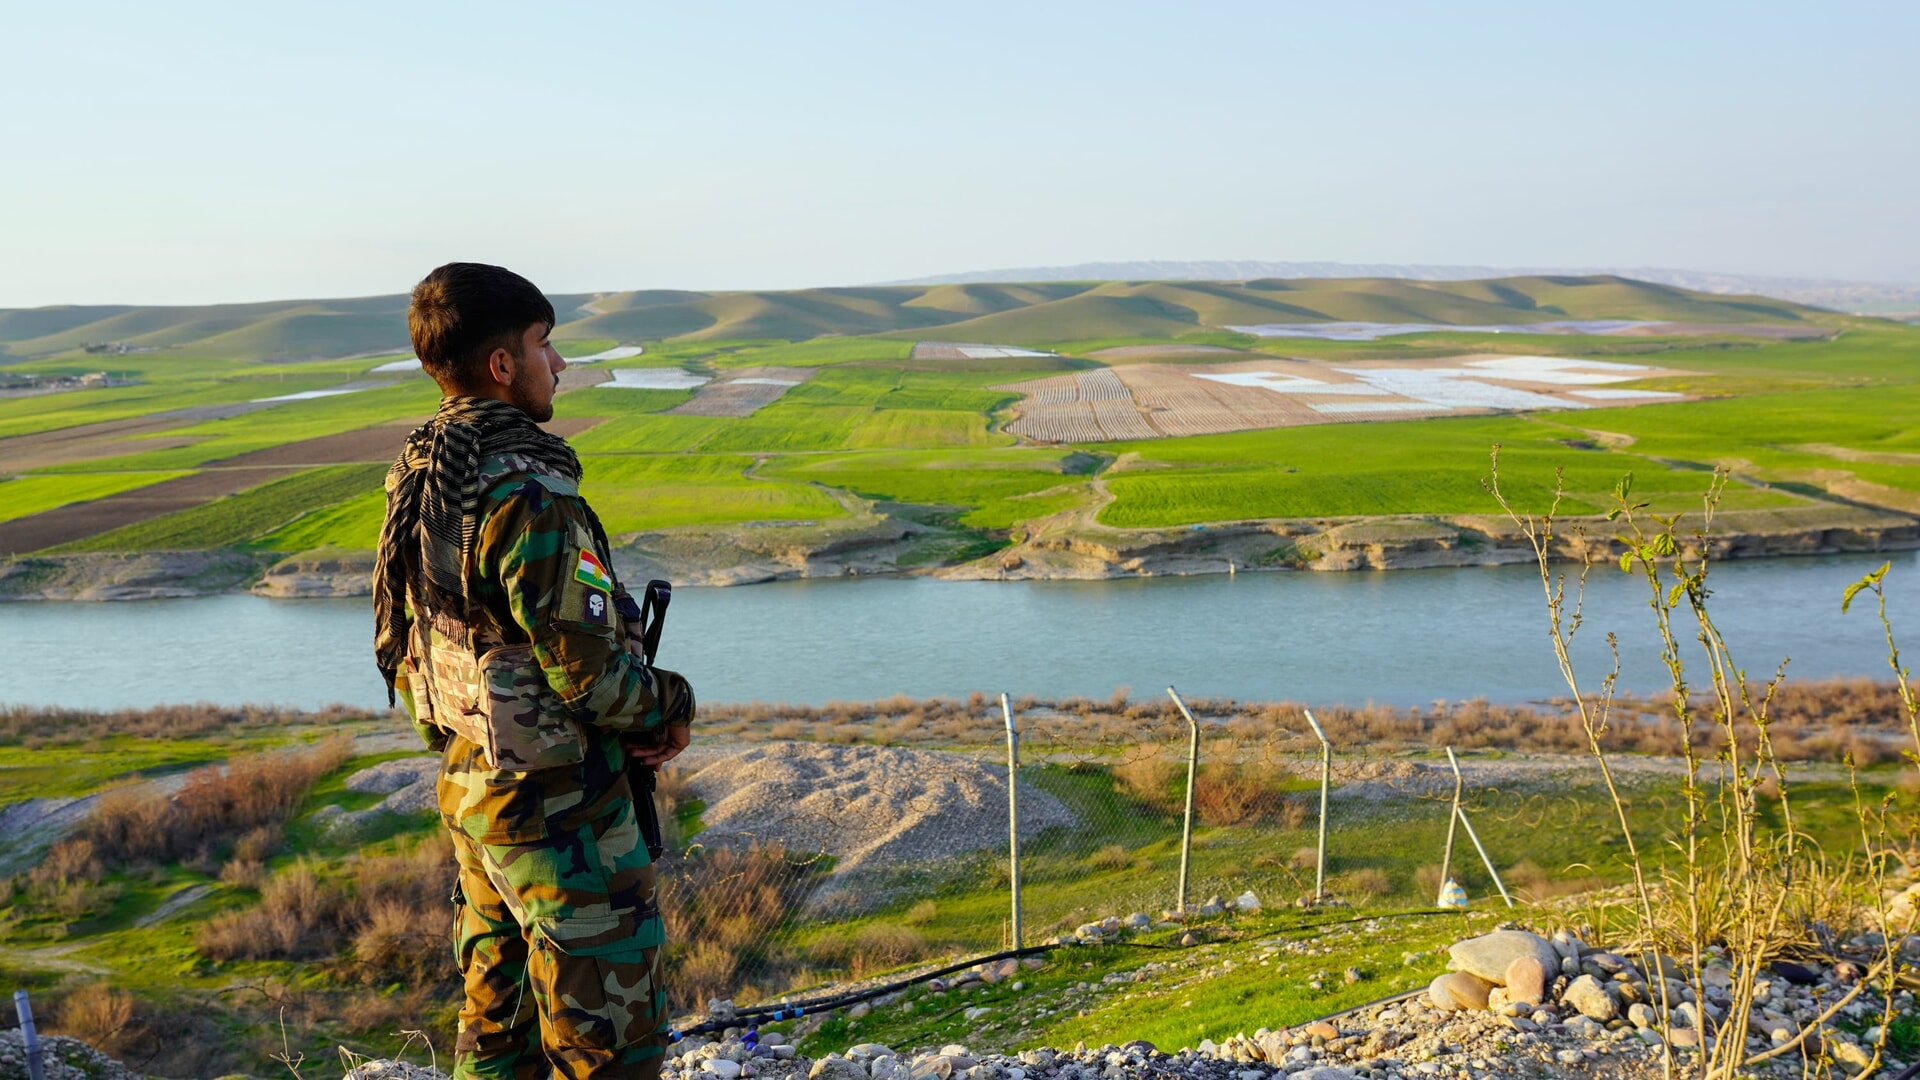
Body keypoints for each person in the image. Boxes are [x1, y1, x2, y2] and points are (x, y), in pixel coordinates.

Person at [373, 262, 695, 1080]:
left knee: (497, 1031)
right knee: (609, 1045)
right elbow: (593, 681)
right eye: (545, 345)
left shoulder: (422, 476)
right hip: (560, 818)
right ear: (502, 365)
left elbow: (416, 651)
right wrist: (673, 704)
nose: (560, 366)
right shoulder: (526, 491)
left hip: (473, 790)